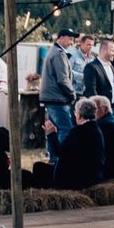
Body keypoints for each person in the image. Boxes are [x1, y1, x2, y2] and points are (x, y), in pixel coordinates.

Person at [36, 100, 103, 190]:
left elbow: (59, 152)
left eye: (75, 112)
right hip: (93, 176)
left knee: (38, 167)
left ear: (79, 114)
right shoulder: (96, 129)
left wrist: (51, 134)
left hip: (77, 180)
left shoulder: (78, 131)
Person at [39, 32, 80, 163]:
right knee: (65, 129)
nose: (72, 42)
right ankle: (62, 160)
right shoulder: (59, 54)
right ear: (61, 38)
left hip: (53, 98)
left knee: (53, 130)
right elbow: (63, 79)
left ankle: (54, 160)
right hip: (58, 99)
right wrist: (72, 93)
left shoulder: (54, 51)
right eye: (70, 39)